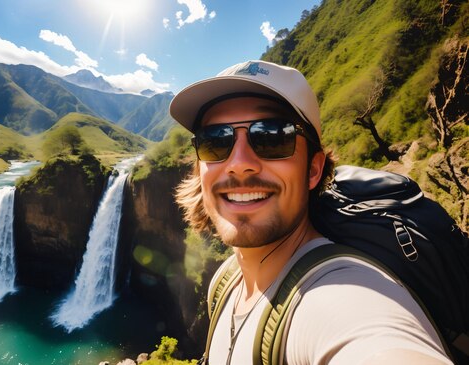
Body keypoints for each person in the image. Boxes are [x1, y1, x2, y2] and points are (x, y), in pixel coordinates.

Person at [170, 60, 453, 365]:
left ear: (313, 170)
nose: (239, 162)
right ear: (200, 168)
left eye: (272, 137)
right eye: (216, 140)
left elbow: (376, 341)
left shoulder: (342, 294)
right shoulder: (225, 282)